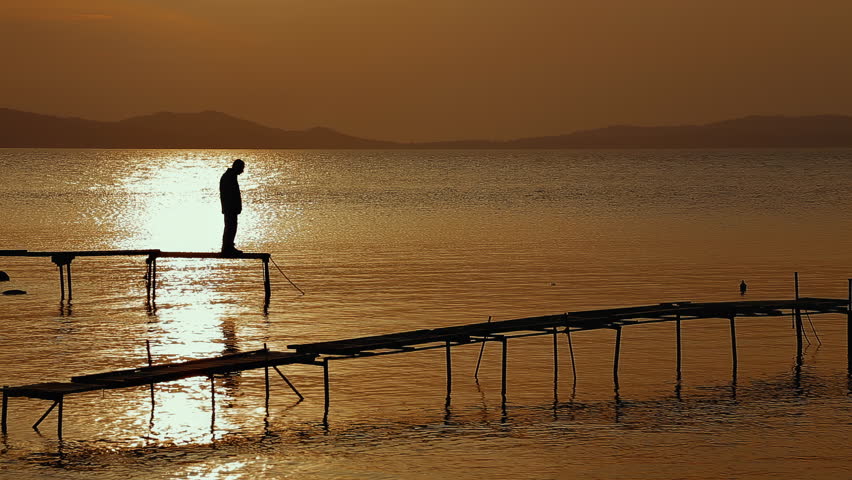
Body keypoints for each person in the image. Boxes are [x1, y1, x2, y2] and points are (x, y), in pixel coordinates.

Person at [220, 159, 245, 255]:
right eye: (242, 168)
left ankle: (228, 246)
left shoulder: (230, 176)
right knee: (230, 227)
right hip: (230, 208)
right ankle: (227, 248)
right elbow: (231, 194)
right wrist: (234, 207)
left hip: (230, 208)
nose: (242, 171)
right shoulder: (229, 177)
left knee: (231, 227)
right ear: (237, 167)